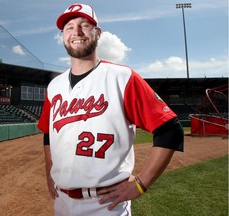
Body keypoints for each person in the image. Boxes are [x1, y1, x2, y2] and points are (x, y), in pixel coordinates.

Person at [37, 3, 184, 216]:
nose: (76, 32)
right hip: (62, 202)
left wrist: (141, 184)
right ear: (63, 36)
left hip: (106, 205)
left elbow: (170, 130)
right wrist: (48, 173)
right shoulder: (54, 86)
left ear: (98, 33)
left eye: (84, 25)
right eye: (69, 27)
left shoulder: (122, 77)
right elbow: (49, 133)